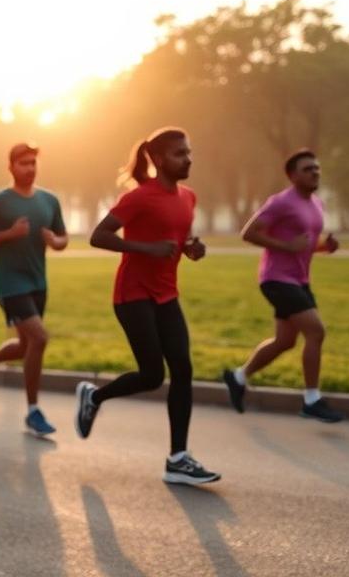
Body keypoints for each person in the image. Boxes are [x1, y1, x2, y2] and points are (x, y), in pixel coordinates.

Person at [74, 127, 220, 485]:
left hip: (167, 293)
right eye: (178, 154)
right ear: (157, 159)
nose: (187, 159)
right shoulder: (139, 197)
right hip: (133, 294)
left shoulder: (189, 197)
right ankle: (94, 396)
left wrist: (191, 248)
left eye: (188, 152)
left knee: (182, 370)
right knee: (153, 375)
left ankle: (178, 458)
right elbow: (99, 236)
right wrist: (146, 248)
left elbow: (177, 237)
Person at [223, 150, 344, 422]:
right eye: (307, 169)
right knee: (316, 331)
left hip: (299, 280)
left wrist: (326, 247)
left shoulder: (316, 204)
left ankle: (238, 376)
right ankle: (312, 399)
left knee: (285, 341)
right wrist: (286, 246)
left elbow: (305, 245)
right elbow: (249, 232)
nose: (315, 172)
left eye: (317, 168)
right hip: (276, 279)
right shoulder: (281, 202)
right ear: (292, 175)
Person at [0, 143, 67, 435]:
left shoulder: (50, 200)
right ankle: (33, 411)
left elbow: (63, 238)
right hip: (9, 283)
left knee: (27, 346)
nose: (30, 168)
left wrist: (54, 241)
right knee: (40, 338)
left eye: (33, 163)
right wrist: (9, 234)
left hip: (38, 282)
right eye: (24, 163)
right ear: (11, 167)